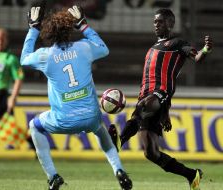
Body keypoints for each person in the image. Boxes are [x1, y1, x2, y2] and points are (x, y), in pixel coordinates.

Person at [20, 3, 132, 190]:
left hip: (62, 120)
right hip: (91, 117)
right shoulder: (84, 48)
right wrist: (84, 25)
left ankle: (53, 176)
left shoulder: (44, 56)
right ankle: (119, 169)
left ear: (48, 33)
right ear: (69, 29)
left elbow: (23, 59)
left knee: (34, 126)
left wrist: (33, 30)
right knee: (100, 130)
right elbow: (104, 49)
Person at [109, 8, 213, 190]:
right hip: (150, 100)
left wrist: (205, 49)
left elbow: (197, 58)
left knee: (143, 106)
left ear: (170, 24)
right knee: (151, 153)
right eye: (155, 22)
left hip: (160, 94)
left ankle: (119, 141)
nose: (156, 25)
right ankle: (192, 175)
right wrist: (164, 113)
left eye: (160, 22)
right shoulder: (151, 49)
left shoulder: (177, 43)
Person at [0, 27, 35, 149]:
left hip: (0, 94)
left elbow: (19, 78)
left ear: (6, 40)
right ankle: (33, 142)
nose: (0, 41)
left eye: (2, 39)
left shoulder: (11, 59)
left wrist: (13, 97)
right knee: (11, 128)